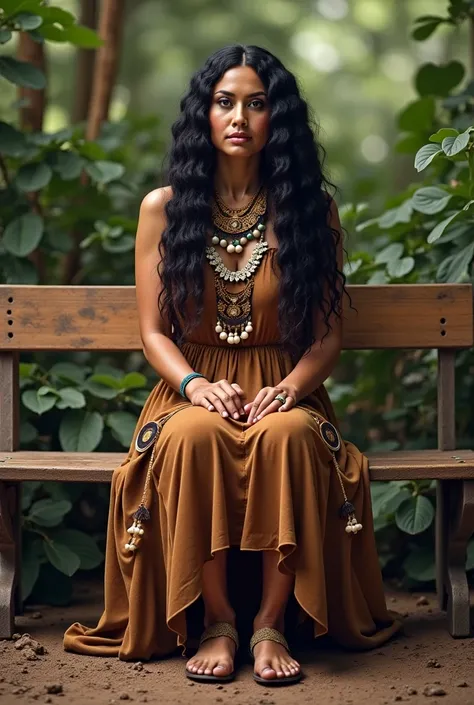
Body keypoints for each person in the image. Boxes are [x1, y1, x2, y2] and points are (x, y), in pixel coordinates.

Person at [64, 44, 401, 686]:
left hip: (285, 386)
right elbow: (153, 333)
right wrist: (193, 385)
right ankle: (217, 620)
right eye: (224, 102)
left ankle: (271, 623)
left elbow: (326, 341)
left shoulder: (309, 211)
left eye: (256, 102)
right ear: (204, 116)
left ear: (279, 119)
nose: (239, 116)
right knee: (193, 436)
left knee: (291, 435)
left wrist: (290, 390)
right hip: (189, 386)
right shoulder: (163, 209)